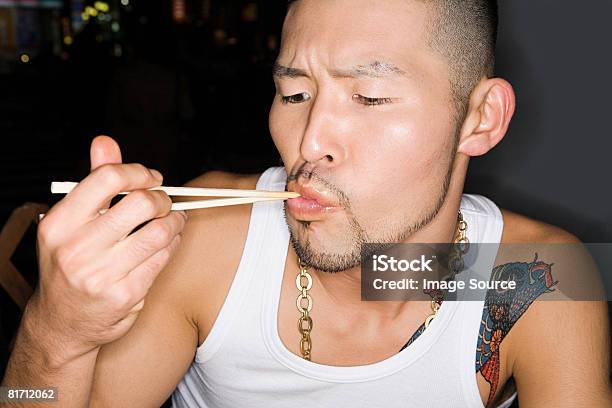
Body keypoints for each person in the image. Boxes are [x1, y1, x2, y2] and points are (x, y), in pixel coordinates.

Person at [2, 0, 610, 407]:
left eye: (368, 97)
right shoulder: (206, 240)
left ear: (481, 118)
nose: (310, 141)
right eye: (294, 93)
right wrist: (54, 333)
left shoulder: (542, 279)